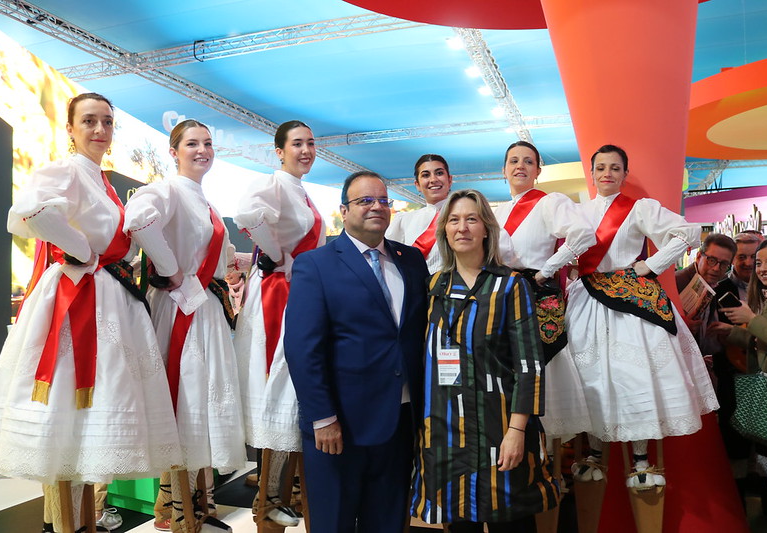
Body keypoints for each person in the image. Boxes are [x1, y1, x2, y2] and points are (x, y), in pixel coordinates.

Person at [0, 92, 181, 533]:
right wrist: (83, 250)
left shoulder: (101, 181)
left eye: (106, 121)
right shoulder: (68, 170)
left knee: (96, 410)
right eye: (89, 121)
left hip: (107, 300)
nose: (99, 129)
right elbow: (31, 211)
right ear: (70, 128)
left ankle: (84, 519)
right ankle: (64, 523)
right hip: (78, 299)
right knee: (67, 407)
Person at [284, 171, 428, 533]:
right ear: (344, 211)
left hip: (400, 421)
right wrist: (322, 418)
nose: (376, 207)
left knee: (389, 522)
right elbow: (303, 349)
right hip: (339, 426)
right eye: (365, 200)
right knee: (334, 523)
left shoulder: (412, 261)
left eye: (383, 200)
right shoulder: (315, 264)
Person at [566, 144, 717, 489]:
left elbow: (687, 233)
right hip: (585, 301)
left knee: (636, 378)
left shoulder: (638, 209)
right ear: (591, 173)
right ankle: (594, 453)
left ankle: (641, 461)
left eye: (614, 167)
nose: (607, 173)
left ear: (624, 173)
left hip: (631, 304)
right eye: (601, 167)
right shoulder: (577, 213)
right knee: (590, 377)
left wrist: (652, 265)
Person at [411, 189, 558, 532]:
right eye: (454, 220)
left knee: (512, 520)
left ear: (486, 229)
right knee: (460, 520)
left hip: (501, 427)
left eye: (471, 219)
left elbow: (529, 365)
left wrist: (516, 431)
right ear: (444, 230)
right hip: (446, 433)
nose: (462, 227)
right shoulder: (433, 287)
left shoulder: (510, 285)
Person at [124, 119, 246, 531]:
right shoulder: (168, 190)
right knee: (186, 402)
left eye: (208, 143)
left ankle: (189, 505)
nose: (202, 150)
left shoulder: (204, 201)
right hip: (182, 309)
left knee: (199, 404)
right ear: (173, 151)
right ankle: (182, 513)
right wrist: (173, 271)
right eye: (192, 143)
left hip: (203, 308)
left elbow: (224, 258)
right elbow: (138, 219)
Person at [233, 120, 325, 526]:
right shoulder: (274, 184)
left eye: (310, 143)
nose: (305, 150)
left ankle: (284, 492)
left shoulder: (300, 191)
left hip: (297, 292)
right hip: (279, 296)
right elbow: (247, 214)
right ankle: (270, 496)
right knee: (278, 384)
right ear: (279, 151)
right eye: (297, 143)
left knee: (293, 388)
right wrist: (275, 255)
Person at [493, 140, 595, 441]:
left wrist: (547, 270)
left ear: (538, 170)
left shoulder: (550, 203)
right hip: (502, 296)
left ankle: (545, 452)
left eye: (528, 161)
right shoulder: (496, 213)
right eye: (513, 161)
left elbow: (583, 234)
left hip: (536, 295)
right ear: (503, 170)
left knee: (540, 368)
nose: (520, 166)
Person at [711, 236, 767, 525]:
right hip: (755, 383)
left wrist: (750, 319)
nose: (759, 267)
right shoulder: (763, 292)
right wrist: (733, 332)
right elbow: (762, 340)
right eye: (759, 262)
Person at [385, 153, 453, 273]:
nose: (433, 180)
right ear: (417, 185)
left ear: (450, 180)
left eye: (439, 173)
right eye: (426, 175)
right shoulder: (404, 220)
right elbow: (388, 258)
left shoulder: (464, 215)